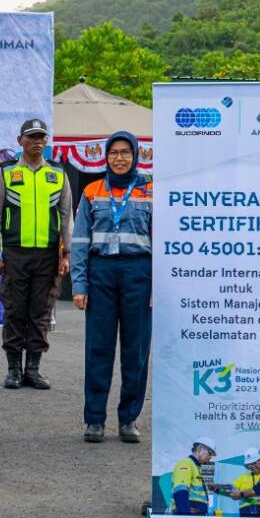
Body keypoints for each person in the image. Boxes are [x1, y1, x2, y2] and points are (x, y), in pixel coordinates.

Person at [70, 131, 153, 443]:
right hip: (101, 273)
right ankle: (94, 420)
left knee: (136, 351)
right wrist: (79, 284)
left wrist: (157, 286)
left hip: (139, 273)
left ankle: (129, 419)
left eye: (125, 152)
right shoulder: (92, 191)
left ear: (135, 155)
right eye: (114, 153)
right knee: (98, 349)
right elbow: (80, 241)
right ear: (106, 157)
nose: (119, 158)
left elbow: (163, 242)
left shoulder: (151, 191)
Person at [0, 119, 71, 389]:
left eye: (41, 137)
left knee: (40, 311)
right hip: (15, 254)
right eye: (32, 137)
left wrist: (67, 254)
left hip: (48, 256)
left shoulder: (57, 174)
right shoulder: (7, 172)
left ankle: (33, 369)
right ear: (20, 140)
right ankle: (13, 369)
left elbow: (66, 216)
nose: (37, 142)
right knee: (14, 310)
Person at [170, 437, 215, 516]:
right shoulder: (186, 463)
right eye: (210, 453)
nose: (210, 457)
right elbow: (180, 491)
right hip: (188, 517)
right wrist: (185, 516)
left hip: (194, 517)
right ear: (200, 448)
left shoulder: (195, 468)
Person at [228, 448, 260, 517]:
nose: (252, 466)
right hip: (245, 511)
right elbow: (230, 489)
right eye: (249, 464)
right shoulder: (243, 478)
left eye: (254, 463)